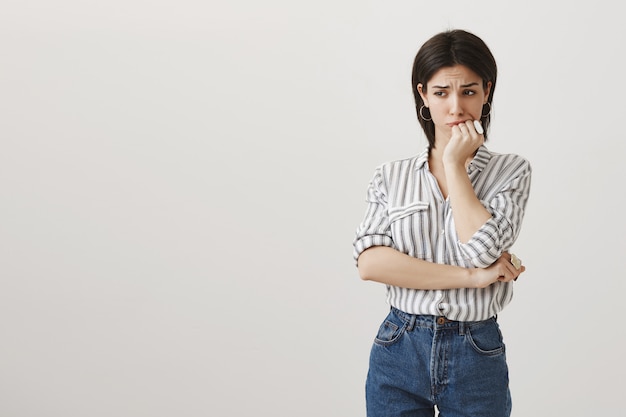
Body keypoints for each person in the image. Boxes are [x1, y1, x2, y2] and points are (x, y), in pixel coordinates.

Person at [352, 29, 532, 417]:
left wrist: (454, 164)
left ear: (487, 91)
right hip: (399, 344)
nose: (455, 108)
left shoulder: (510, 170)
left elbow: (482, 249)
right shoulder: (391, 175)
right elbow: (370, 264)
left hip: (476, 349)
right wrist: (470, 278)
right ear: (423, 95)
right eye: (441, 93)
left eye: (468, 91)